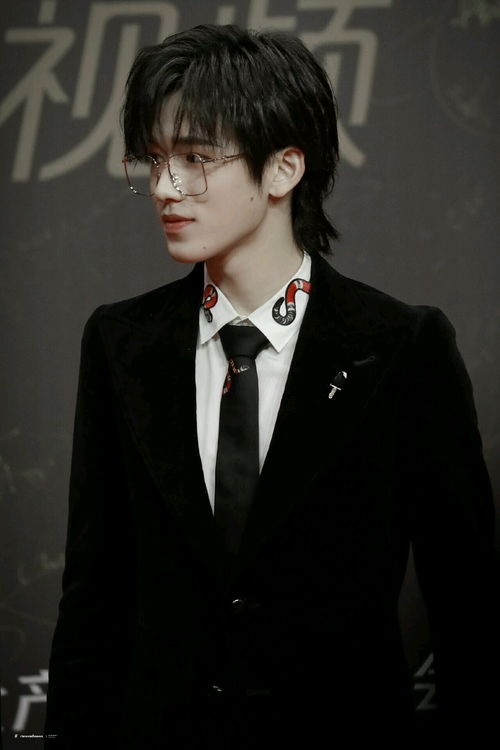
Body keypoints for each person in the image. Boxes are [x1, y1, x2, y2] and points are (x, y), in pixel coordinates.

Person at [44, 23, 497, 749]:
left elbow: (468, 605)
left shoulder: (401, 347)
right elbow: (92, 601)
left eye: (195, 159)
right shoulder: (120, 343)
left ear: (284, 169)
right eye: (154, 160)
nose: (164, 187)